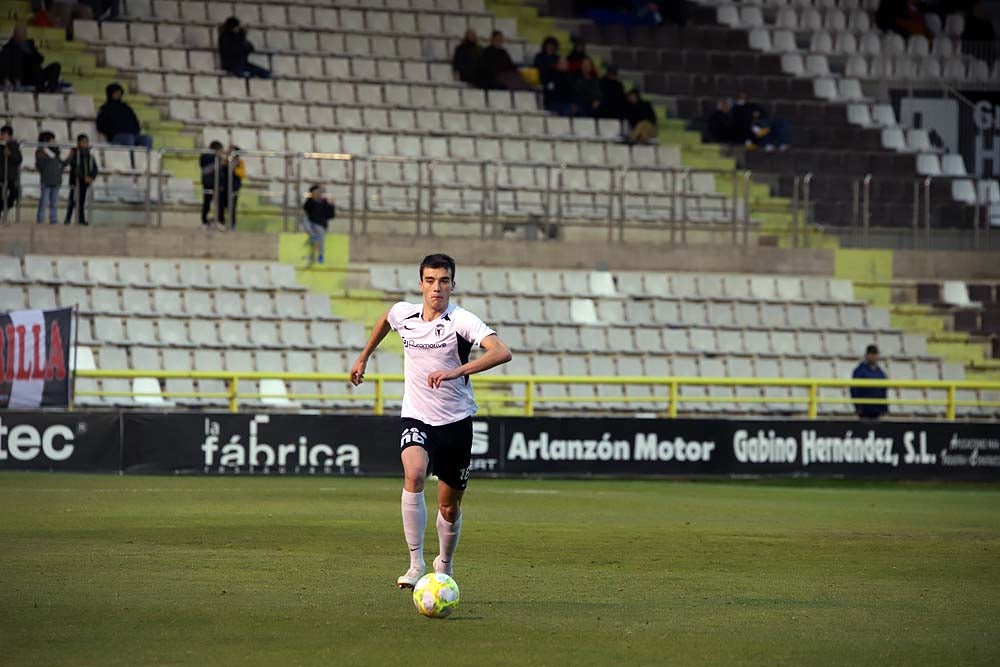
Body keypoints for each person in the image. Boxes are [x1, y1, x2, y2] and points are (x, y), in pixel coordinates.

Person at [350, 254, 512, 589]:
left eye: (443, 281)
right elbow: (385, 320)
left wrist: (456, 371)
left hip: (455, 422)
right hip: (416, 415)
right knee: (414, 473)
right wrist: (363, 357)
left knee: (448, 508)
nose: (436, 287)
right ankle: (415, 563)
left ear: (453, 284)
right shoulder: (404, 313)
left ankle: (445, 564)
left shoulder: (461, 321)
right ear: (421, 283)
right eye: (430, 280)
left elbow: (500, 352)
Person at [0, 24, 61, 92]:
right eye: (19, 36)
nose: (22, 38)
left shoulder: (30, 46)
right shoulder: (8, 48)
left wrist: (30, 53)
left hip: (35, 74)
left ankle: (50, 89)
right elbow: (5, 64)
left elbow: (40, 59)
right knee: (34, 67)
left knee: (56, 66)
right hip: (22, 76)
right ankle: (38, 89)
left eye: (23, 35)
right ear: (14, 35)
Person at [96, 83, 152, 150]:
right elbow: (100, 125)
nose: (118, 95)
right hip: (116, 136)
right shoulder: (105, 108)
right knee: (129, 138)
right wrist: (111, 132)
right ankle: (131, 160)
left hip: (132, 135)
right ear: (110, 93)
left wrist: (135, 131)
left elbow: (135, 122)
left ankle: (147, 159)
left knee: (147, 138)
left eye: (119, 93)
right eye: (116, 93)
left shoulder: (126, 107)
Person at [65, 133, 98, 226]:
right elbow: (75, 168)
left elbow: (95, 168)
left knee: (82, 202)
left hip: (85, 183)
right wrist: (84, 177)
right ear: (79, 142)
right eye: (83, 142)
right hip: (75, 182)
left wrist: (91, 177)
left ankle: (81, 220)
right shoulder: (75, 154)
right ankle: (68, 219)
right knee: (72, 201)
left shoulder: (90, 155)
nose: (85, 144)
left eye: (86, 142)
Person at [851, 344, 889, 419]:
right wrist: (858, 407)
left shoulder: (880, 372)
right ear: (867, 355)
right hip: (864, 410)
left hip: (877, 410)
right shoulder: (860, 371)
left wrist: (884, 408)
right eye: (871, 354)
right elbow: (854, 390)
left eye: (875, 354)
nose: (874, 357)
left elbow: (883, 390)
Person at [302, 184, 335, 265]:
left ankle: (320, 255)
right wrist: (311, 197)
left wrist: (332, 206)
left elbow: (331, 215)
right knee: (305, 221)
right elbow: (305, 208)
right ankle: (313, 236)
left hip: (320, 224)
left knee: (320, 239)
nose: (319, 193)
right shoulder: (311, 201)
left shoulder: (325, 202)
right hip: (311, 222)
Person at [35, 130, 62, 225]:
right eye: (52, 139)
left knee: (54, 203)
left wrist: (70, 156)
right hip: (46, 181)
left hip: (56, 181)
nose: (54, 141)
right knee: (43, 202)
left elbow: (61, 165)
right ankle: (40, 220)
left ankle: (53, 220)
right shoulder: (40, 152)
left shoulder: (56, 152)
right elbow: (39, 166)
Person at [200, 141, 227, 229]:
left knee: (220, 204)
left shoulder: (219, 158)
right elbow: (205, 170)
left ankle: (219, 221)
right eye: (221, 150)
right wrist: (219, 164)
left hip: (218, 184)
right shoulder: (205, 157)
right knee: (207, 203)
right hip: (208, 183)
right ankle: (204, 222)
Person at [0, 124, 22, 220]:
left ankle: (5, 208)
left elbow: (18, 159)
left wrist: (10, 155)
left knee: (14, 193)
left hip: (11, 176)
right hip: (1, 175)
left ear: (7, 135)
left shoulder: (14, 146)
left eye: (2, 134)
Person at [228, 145, 244, 229]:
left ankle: (232, 225)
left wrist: (234, 167)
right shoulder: (226, 161)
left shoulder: (240, 163)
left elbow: (242, 174)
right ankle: (221, 222)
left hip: (234, 188)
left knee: (233, 206)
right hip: (224, 187)